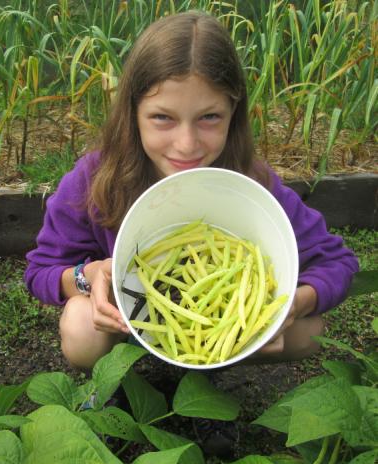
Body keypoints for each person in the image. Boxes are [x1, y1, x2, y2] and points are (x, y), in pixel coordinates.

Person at [24, 11, 359, 371]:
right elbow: (41, 270)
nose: (186, 144)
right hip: (132, 317)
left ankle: (210, 365)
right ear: (132, 112)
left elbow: (338, 262)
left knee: (307, 330)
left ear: (234, 111)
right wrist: (86, 277)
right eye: (162, 117)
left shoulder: (251, 185)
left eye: (209, 117)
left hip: (219, 326)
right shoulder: (93, 179)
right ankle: (120, 375)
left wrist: (294, 305)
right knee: (80, 326)